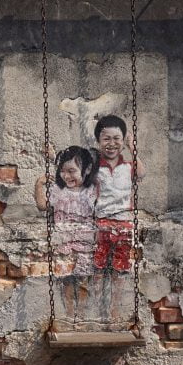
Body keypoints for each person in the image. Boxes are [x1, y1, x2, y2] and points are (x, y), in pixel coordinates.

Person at [34, 145, 99, 321]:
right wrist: (39, 184)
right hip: (64, 244)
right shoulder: (58, 190)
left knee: (84, 280)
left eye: (71, 171)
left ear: (86, 170)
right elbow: (42, 206)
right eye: (63, 171)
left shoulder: (91, 191)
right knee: (67, 281)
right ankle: (70, 314)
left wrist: (54, 157)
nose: (66, 176)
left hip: (85, 245)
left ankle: (82, 314)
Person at [90, 114, 146, 277]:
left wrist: (132, 148)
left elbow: (141, 173)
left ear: (123, 141)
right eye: (106, 139)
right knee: (98, 265)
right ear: (98, 141)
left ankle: (118, 294)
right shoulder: (96, 169)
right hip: (102, 222)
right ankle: (98, 290)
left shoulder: (128, 167)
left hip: (124, 223)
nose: (111, 143)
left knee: (121, 268)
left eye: (116, 139)